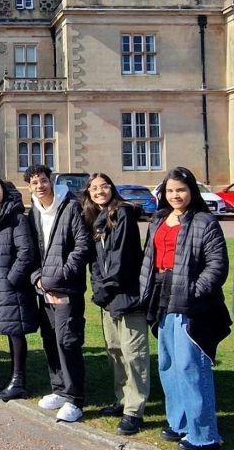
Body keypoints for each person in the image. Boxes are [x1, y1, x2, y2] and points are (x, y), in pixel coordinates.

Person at [139, 166, 230, 447]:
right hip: (162, 298)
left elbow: (217, 266)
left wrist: (194, 292)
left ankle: (204, 435)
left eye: (181, 189)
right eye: (170, 190)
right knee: (168, 365)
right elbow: (149, 258)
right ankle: (179, 422)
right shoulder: (160, 219)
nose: (176, 195)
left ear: (191, 191)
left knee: (192, 367)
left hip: (192, 305)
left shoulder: (204, 221)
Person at [82, 173, 150, 436]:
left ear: (112, 189)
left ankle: (135, 410)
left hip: (127, 293)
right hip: (108, 296)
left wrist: (105, 288)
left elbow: (123, 259)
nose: (100, 191)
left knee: (134, 353)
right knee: (114, 350)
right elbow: (96, 261)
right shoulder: (96, 219)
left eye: (104, 186)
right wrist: (100, 288)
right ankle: (122, 399)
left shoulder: (122, 214)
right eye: (94, 188)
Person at [24, 165, 92, 424]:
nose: (39, 186)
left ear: (51, 181)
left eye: (43, 180)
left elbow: (82, 246)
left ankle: (75, 398)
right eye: (34, 183)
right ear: (29, 188)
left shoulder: (70, 207)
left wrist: (61, 277)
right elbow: (33, 251)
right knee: (50, 339)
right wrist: (38, 281)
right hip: (44, 290)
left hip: (67, 289)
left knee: (68, 341)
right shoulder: (34, 213)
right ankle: (60, 389)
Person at [0, 176, 38, 402]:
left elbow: (26, 253)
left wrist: (10, 279)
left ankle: (18, 381)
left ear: (3, 191)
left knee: (16, 333)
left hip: (12, 286)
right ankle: (14, 379)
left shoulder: (16, 218)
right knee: (11, 332)